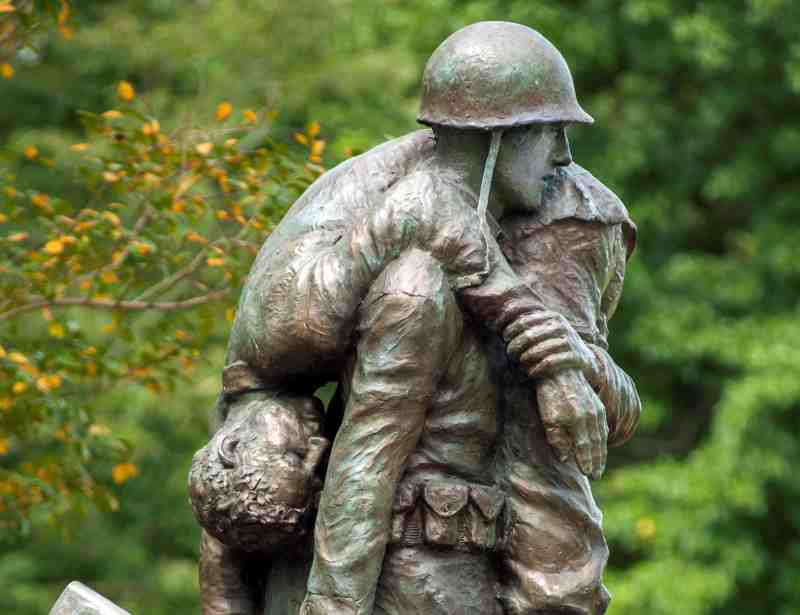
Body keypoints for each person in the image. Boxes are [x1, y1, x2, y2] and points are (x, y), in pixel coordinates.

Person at [197, 21, 640, 615]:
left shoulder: (573, 220)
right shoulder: (399, 277)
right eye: (549, 132)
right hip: (401, 569)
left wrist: (568, 359)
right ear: (495, 140)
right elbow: (366, 442)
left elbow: (598, 425)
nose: (564, 154)